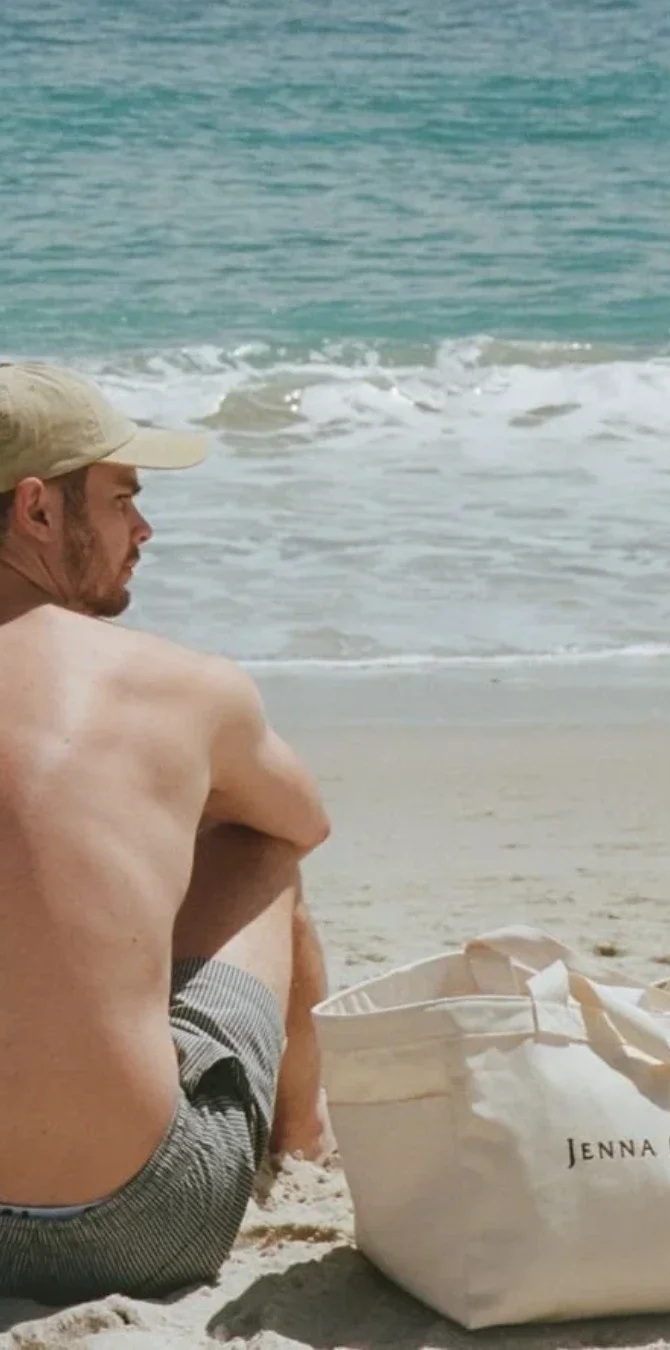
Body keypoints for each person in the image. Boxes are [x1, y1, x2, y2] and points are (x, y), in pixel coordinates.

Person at [0, 362, 335, 1304]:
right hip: (139, 1224)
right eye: (119, 501)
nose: (141, 532)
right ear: (35, 510)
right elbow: (303, 822)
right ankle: (302, 1137)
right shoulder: (183, 687)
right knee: (258, 841)